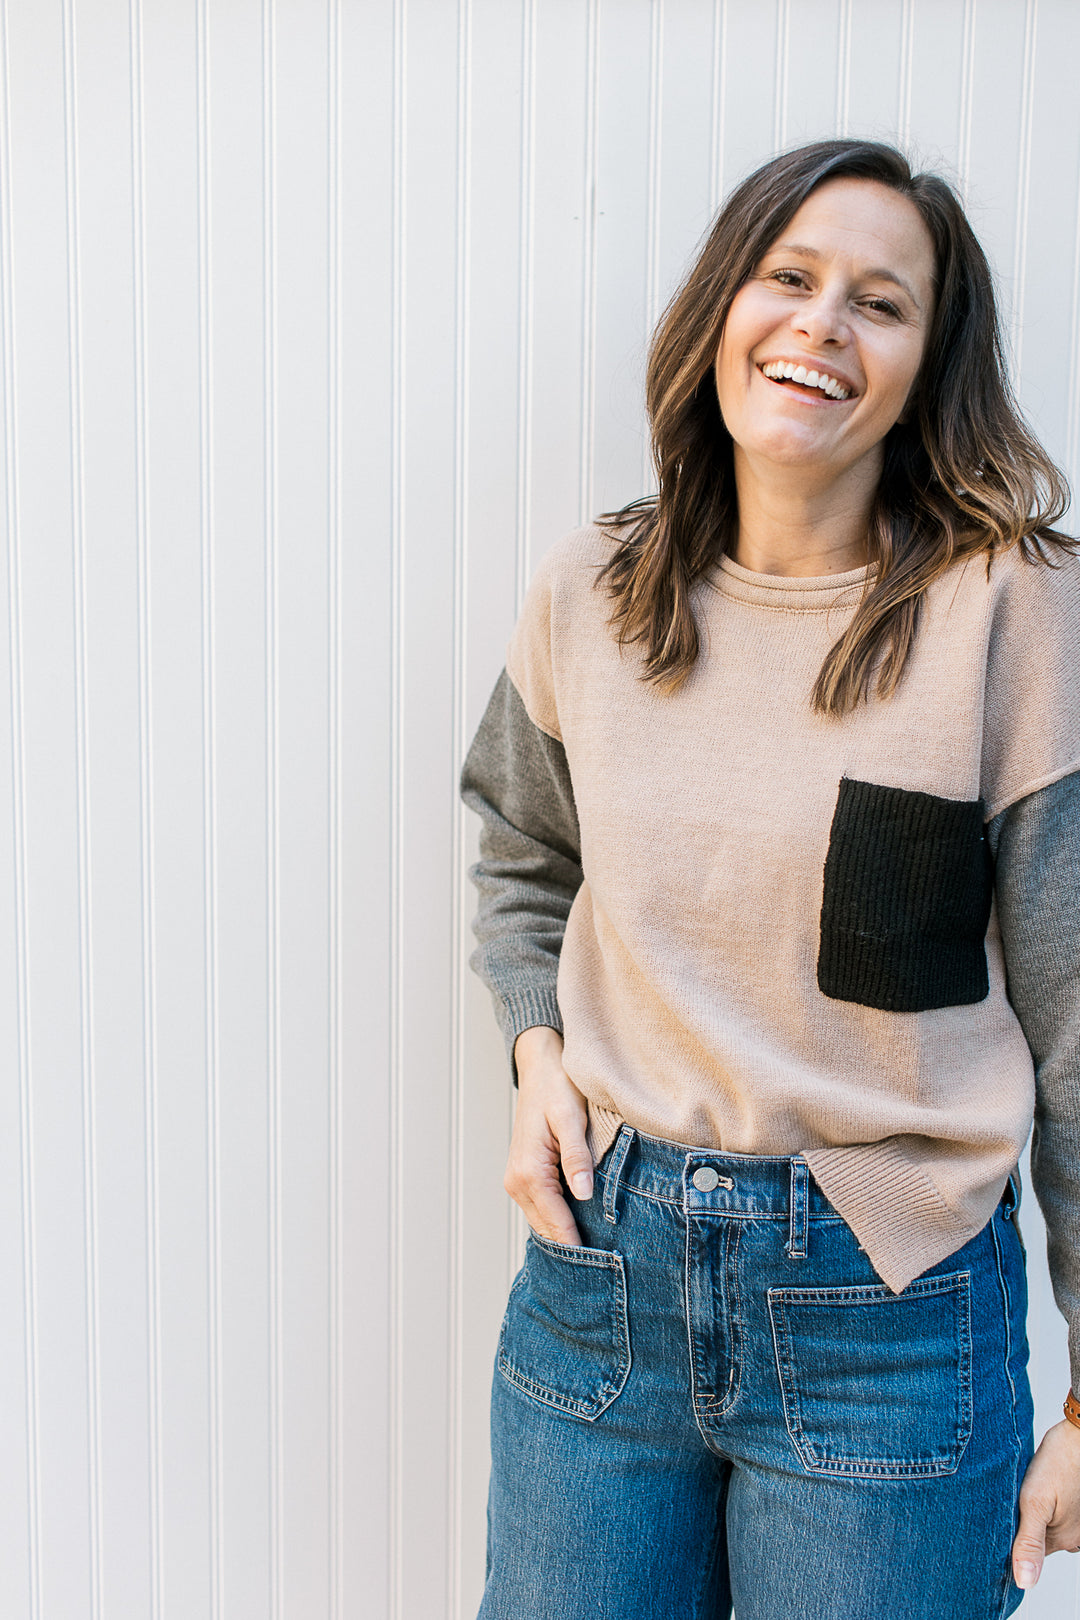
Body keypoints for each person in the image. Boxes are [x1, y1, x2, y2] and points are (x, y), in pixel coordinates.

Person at [461, 138, 1080, 1619]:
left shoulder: (1012, 612)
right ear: (720, 309)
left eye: (882, 302)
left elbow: (1077, 1019)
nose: (820, 325)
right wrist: (538, 1053)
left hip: (892, 1309)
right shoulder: (592, 594)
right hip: (600, 1282)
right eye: (789, 277)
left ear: (930, 365)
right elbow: (521, 852)